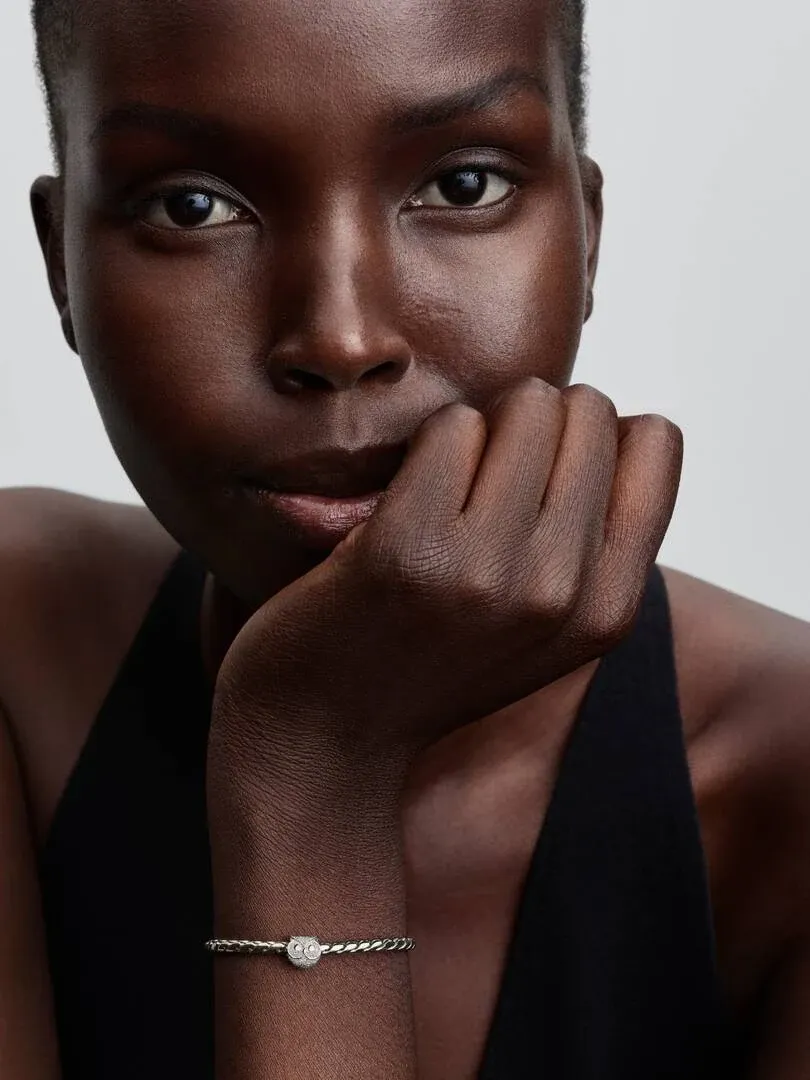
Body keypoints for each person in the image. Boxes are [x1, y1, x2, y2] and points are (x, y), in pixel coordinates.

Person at [2, 0, 809, 1076]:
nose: (342, 337)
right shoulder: (20, 661)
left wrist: (313, 766)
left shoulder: (790, 779)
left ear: (587, 227)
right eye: (192, 205)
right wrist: (310, 777)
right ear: (62, 263)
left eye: (463, 184)